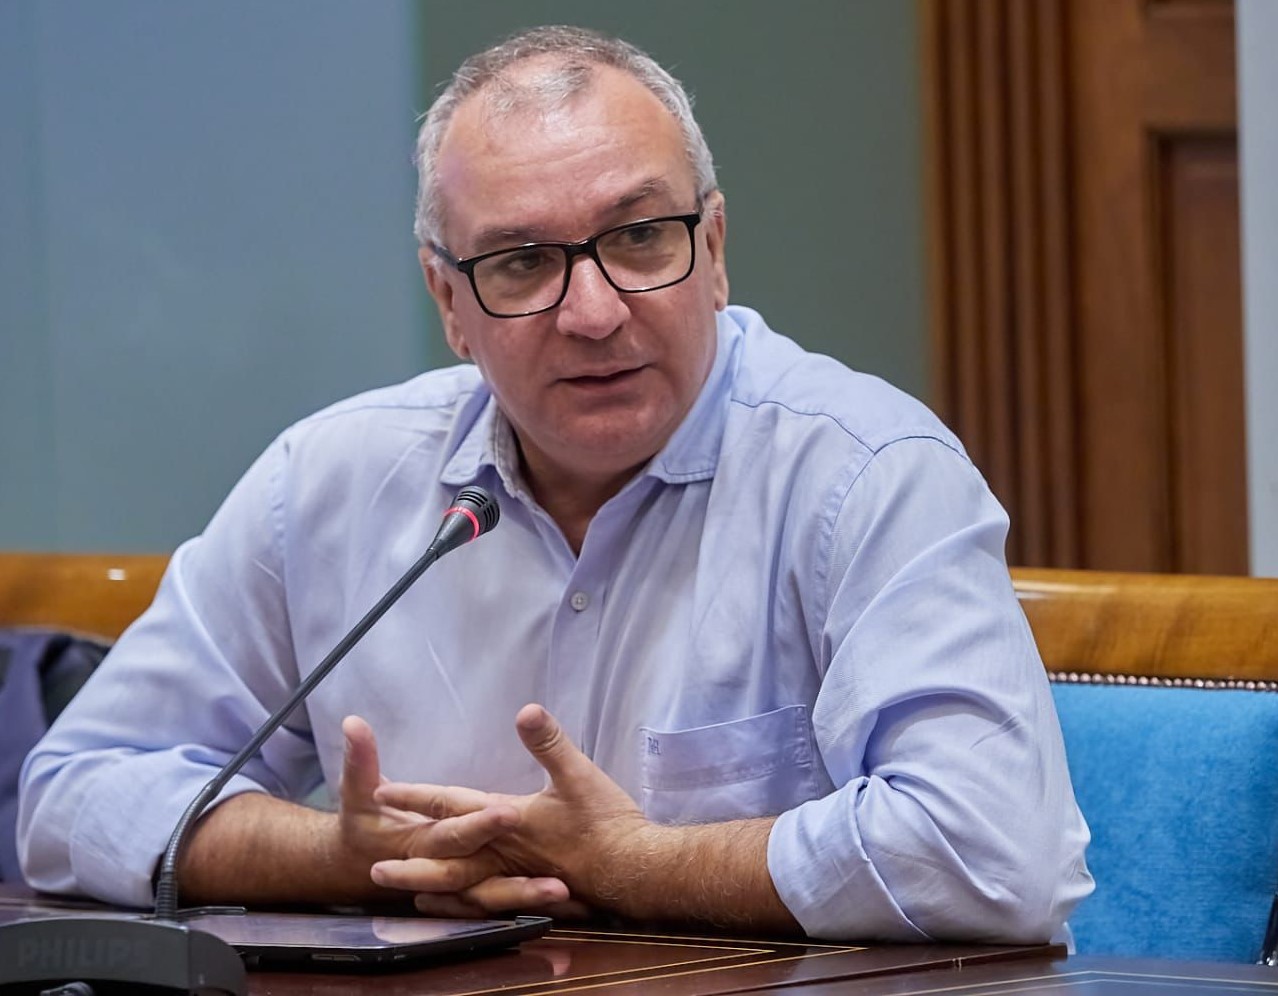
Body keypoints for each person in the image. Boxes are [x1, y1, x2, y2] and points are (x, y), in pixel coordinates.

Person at [17, 25, 1092, 941]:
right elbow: (71, 798)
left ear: (714, 251)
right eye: (523, 262)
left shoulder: (866, 476)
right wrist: (341, 858)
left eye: (638, 238)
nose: (593, 311)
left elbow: (994, 851)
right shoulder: (331, 482)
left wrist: (630, 863)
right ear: (450, 302)